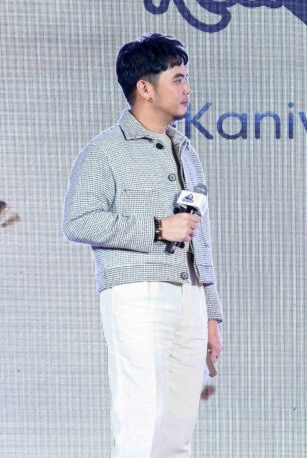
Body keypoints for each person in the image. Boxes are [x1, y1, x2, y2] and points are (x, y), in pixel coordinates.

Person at [63, 33, 223, 457]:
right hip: (136, 292)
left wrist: (211, 312)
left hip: (188, 294)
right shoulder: (105, 151)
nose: (188, 88)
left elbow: (199, 235)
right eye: (178, 79)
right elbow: (78, 221)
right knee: (142, 420)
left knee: (178, 429)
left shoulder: (185, 150)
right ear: (145, 88)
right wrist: (156, 228)